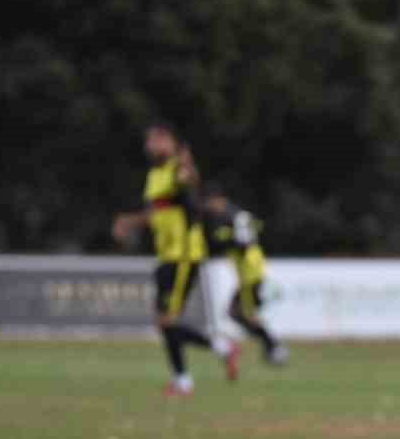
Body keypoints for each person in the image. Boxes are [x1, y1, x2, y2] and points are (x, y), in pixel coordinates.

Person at [111, 122, 240, 396]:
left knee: (168, 320)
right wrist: (128, 222)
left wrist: (187, 164)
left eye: (159, 139)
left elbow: (190, 182)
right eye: (150, 140)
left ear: (172, 143)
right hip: (166, 254)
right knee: (164, 322)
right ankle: (196, 369)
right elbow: (154, 214)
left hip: (183, 254)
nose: (152, 144)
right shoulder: (154, 175)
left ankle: (197, 369)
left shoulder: (177, 169)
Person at [199, 183, 287, 366]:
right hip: (249, 271)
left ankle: (274, 347)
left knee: (242, 313)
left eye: (209, 203)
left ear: (219, 200)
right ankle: (272, 346)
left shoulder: (233, 216)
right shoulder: (233, 216)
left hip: (250, 272)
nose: (209, 207)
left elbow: (244, 243)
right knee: (240, 313)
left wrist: (222, 243)